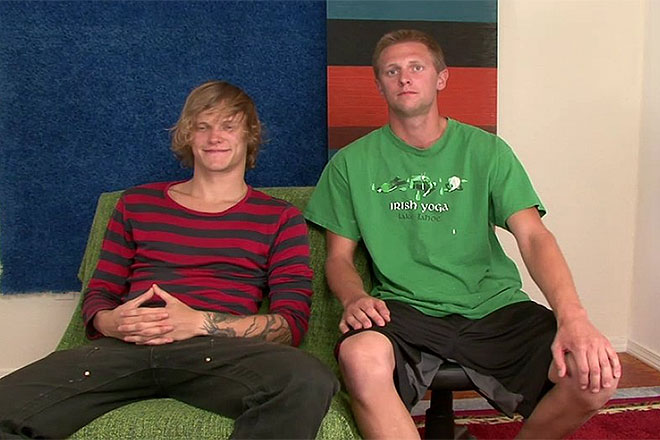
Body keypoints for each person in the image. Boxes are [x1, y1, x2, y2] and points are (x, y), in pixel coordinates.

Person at [304, 29, 621, 439]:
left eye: (417, 67)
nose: (405, 77)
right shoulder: (350, 164)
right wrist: (354, 297)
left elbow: (534, 237)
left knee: (593, 376)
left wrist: (573, 317)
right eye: (392, 70)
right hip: (404, 309)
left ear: (441, 78)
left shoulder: (487, 151)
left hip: (493, 307)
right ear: (379, 84)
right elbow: (338, 258)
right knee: (359, 357)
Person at [0, 80, 338, 439]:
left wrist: (197, 322)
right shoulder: (136, 204)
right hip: (127, 348)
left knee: (307, 379)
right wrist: (112, 322)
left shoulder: (279, 217)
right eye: (202, 126)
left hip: (218, 352)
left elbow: (290, 325)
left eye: (228, 126)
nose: (214, 137)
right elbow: (100, 293)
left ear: (249, 135)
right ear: (187, 135)